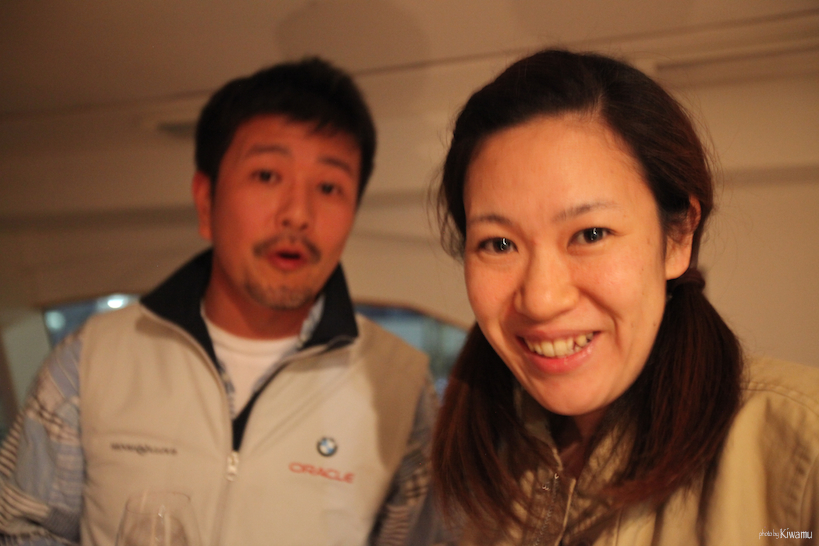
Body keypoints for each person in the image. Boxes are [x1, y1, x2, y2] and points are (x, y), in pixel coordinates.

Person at [0, 58, 441, 546]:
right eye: (267, 175)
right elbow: (20, 530)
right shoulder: (86, 364)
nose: (298, 213)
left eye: (329, 187)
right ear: (206, 201)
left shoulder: (401, 391)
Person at [432, 49, 819, 545]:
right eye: (499, 244)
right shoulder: (479, 461)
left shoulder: (800, 450)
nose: (542, 299)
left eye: (590, 234)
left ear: (677, 238)